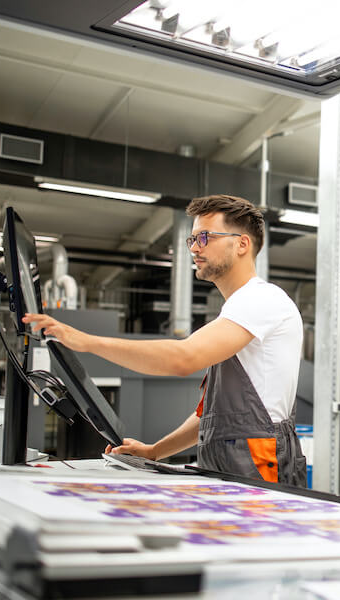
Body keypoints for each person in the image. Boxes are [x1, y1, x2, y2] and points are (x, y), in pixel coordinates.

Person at [23, 194, 307, 486]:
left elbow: (183, 359)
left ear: (242, 244)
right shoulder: (240, 310)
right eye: (193, 239)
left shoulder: (261, 299)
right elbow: (213, 419)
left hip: (259, 463)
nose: (195, 248)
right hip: (233, 463)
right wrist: (155, 451)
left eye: (205, 237)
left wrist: (86, 342)